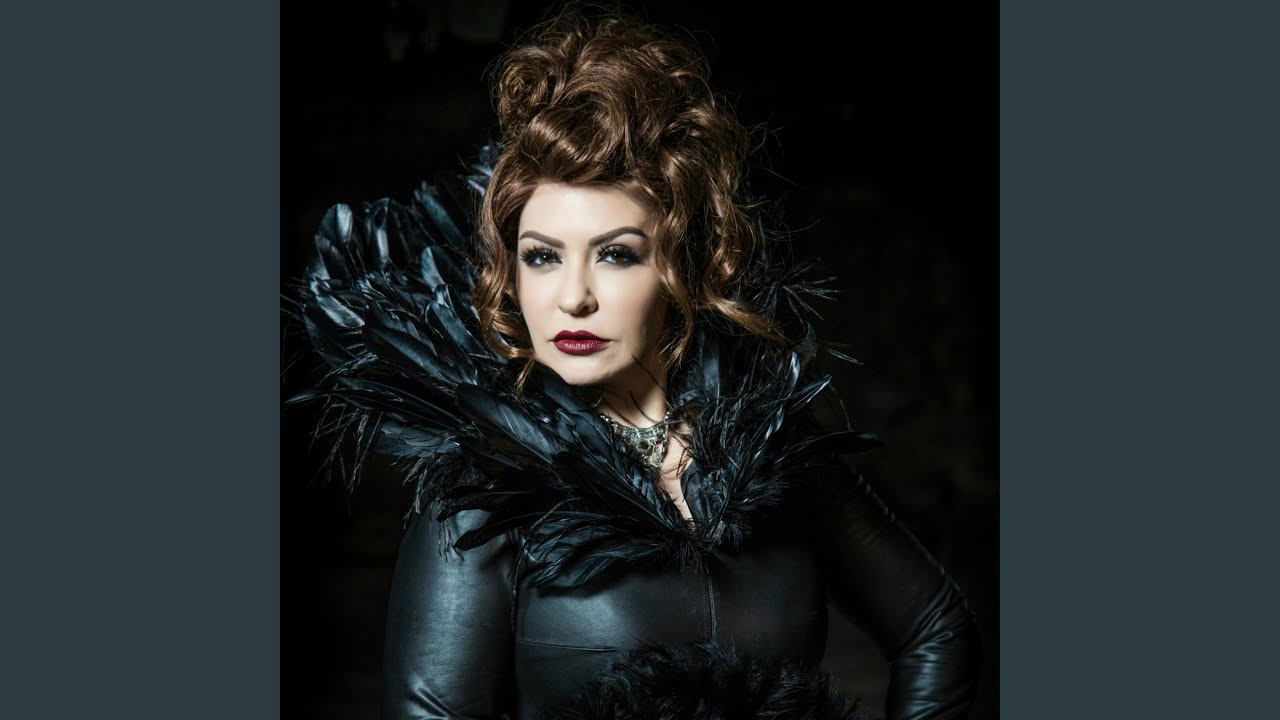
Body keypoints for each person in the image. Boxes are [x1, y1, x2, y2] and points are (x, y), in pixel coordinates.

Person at [293, 5, 981, 719]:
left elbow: (937, 629)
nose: (573, 297)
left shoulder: (781, 455)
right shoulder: (480, 492)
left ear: (681, 268)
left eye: (616, 255)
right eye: (542, 257)